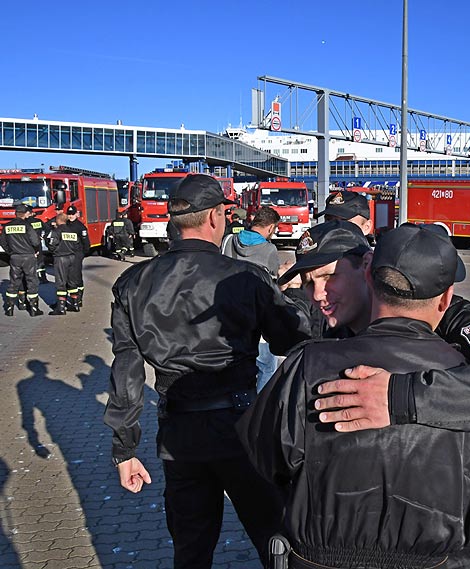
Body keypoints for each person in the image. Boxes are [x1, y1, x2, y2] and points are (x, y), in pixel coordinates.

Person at [237, 224, 470, 569]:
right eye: (308, 281)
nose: (318, 294)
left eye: (328, 276)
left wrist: (397, 397)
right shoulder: (326, 330)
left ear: (367, 268)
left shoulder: (448, 315)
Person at [103, 174, 310, 569]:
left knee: (191, 549)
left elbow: (126, 372)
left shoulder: (132, 282)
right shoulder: (244, 277)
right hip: (242, 428)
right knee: (277, 541)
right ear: (216, 217)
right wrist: (297, 295)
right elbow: (290, 338)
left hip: (179, 435)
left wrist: (124, 450)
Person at [221, 206, 281, 391]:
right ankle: (258, 411)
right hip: (257, 318)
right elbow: (274, 283)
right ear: (270, 228)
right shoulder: (269, 249)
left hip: (227, 315)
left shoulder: (229, 240)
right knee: (267, 367)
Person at [0, 203, 43, 317]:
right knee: (31, 281)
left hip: (15, 257)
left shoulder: (7, 226)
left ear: (15, 213)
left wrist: (11, 252)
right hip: (28, 257)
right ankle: (34, 309)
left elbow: (3, 242)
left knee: (14, 282)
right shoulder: (27, 226)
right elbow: (36, 242)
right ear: (25, 214)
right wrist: (35, 250)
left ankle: (9, 309)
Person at [46, 212, 83, 315]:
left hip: (61, 258)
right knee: (72, 281)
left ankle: (61, 307)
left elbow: (51, 245)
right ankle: (75, 304)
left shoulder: (57, 231)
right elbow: (77, 245)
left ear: (58, 220)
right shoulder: (72, 231)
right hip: (72, 257)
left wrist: (54, 250)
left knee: (61, 282)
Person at [65, 205, 90, 307]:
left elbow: (86, 243)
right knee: (66, 277)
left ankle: (79, 298)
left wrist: (82, 254)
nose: (70, 216)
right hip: (67, 254)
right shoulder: (64, 225)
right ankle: (65, 300)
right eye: (69, 214)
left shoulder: (80, 227)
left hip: (76, 254)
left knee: (76, 276)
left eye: (72, 214)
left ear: (76, 214)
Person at [26, 206, 49, 283]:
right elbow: (47, 229)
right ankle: (43, 278)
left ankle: (33, 278)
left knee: (30, 262)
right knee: (40, 261)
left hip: (28, 245)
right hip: (38, 244)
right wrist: (43, 236)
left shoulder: (25, 222)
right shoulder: (38, 221)